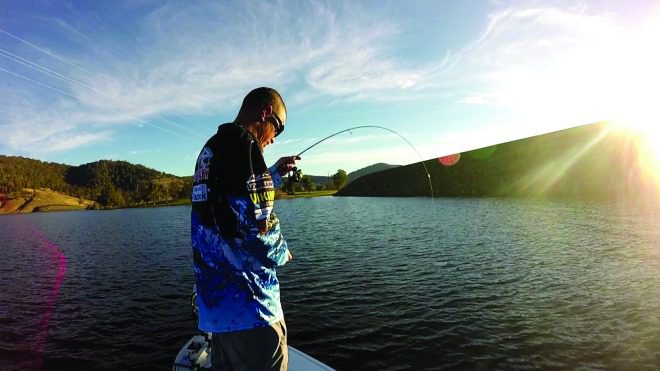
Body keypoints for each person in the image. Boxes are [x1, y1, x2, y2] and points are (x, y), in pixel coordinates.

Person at [191, 87, 298, 371]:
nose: (274, 138)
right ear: (265, 113)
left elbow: (230, 199)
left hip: (217, 312)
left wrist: (272, 173)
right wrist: (283, 253)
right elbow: (258, 227)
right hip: (253, 310)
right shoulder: (247, 147)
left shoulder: (211, 149)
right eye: (278, 127)